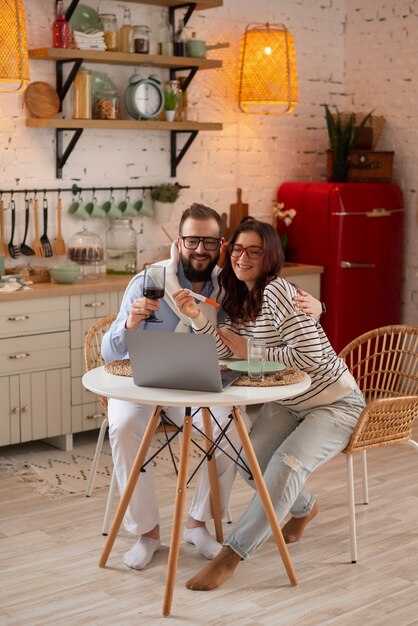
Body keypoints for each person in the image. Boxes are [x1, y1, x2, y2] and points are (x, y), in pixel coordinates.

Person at [173, 218, 365, 591]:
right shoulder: (238, 296)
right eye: (238, 250)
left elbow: (309, 357)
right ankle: (304, 507)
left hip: (335, 402)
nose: (243, 257)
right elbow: (227, 351)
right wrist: (197, 319)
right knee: (250, 460)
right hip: (287, 401)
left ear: (269, 256)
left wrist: (253, 351)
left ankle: (231, 555)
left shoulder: (278, 292)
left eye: (254, 251)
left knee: (287, 463)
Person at [101, 203, 252, 571]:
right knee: (123, 426)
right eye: (192, 240)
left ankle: (197, 525)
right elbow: (109, 353)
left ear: (221, 243)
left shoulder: (228, 286)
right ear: (179, 240)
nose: (200, 249)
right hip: (145, 385)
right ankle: (147, 533)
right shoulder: (148, 279)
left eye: (208, 241)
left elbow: (239, 347)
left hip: (201, 386)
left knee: (234, 427)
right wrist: (132, 325)